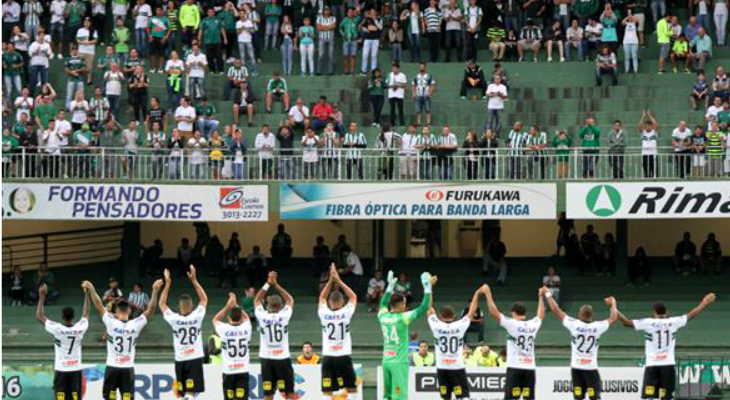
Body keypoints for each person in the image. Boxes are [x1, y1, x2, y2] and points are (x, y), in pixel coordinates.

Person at [617, 293, 716, 400]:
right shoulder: (674, 322)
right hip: (668, 365)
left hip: (652, 365)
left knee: (649, 397)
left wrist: (614, 309)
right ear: (666, 312)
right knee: (667, 397)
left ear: (654, 312)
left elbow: (626, 323)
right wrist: (704, 302)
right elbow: (692, 314)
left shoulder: (648, 322)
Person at [82, 279, 162, 400]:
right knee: (127, 398)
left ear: (117, 312)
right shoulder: (135, 324)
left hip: (112, 367)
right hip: (127, 369)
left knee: (110, 397)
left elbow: (98, 304)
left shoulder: (111, 322)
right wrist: (155, 291)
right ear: (129, 311)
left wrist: (91, 288)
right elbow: (150, 311)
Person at [545, 292, 618, 400]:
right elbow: (613, 317)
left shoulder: (574, 324)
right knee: (595, 397)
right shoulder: (598, 326)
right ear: (591, 315)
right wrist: (613, 303)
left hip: (576, 368)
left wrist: (548, 294)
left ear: (580, 314)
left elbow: (556, 310)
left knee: (578, 397)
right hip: (591, 368)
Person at [379, 271, 435, 400]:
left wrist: (389, 288)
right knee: (400, 397)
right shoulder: (403, 317)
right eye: (404, 303)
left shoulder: (382, 316)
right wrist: (427, 288)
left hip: (386, 362)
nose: (405, 305)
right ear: (401, 305)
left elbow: (382, 304)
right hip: (399, 363)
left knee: (387, 396)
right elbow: (424, 306)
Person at [484, 284, 545, 400]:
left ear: (513, 312)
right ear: (524, 313)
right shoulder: (533, 325)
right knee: (529, 398)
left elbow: (494, 313)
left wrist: (488, 294)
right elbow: (540, 315)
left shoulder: (512, 324)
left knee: (511, 398)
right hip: (529, 368)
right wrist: (541, 297)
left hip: (515, 368)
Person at [159, 266, 208, 399]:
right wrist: (194, 280)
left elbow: (162, 304)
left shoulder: (174, 318)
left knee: (181, 393)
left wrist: (167, 283)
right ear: (191, 306)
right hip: (195, 357)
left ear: (179, 307)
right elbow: (204, 300)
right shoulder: (196, 316)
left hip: (180, 358)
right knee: (191, 392)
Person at [427, 285, 484, 400]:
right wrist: (477, 294)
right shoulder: (460, 325)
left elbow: (429, 309)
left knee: (446, 397)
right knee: (463, 396)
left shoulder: (436, 325)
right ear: (454, 316)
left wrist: (429, 288)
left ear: (440, 316)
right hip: (457, 367)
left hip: (442, 367)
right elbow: (472, 311)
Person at [37, 283, 90, 400]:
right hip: (75, 369)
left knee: (60, 397)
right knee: (75, 397)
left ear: (62, 316)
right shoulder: (79, 328)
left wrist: (41, 296)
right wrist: (87, 293)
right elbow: (86, 314)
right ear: (73, 317)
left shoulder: (57, 328)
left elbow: (40, 316)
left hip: (61, 369)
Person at [318, 265, 359, 399]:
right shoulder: (346, 312)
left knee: (327, 390)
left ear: (329, 302)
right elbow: (353, 297)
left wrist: (331, 280)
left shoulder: (323, 312)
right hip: (343, 355)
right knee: (351, 388)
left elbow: (321, 297)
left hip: (328, 356)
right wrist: (339, 280)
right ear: (342, 302)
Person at [255, 271, 297, 400]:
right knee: (289, 392)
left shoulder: (262, 316)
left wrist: (268, 283)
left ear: (267, 305)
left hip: (267, 359)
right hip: (283, 358)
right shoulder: (284, 315)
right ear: (281, 306)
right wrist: (276, 285)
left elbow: (257, 300)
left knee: (268, 394)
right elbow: (290, 299)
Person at [212, 293, 252, 400]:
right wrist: (236, 304)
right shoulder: (247, 327)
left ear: (229, 317)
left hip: (228, 371)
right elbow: (246, 317)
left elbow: (215, 320)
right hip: (243, 370)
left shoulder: (224, 329)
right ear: (241, 318)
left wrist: (228, 306)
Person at [412, 62, 436, 127]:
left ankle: (428, 123)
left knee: (428, 109)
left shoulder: (429, 76)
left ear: (425, 67)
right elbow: (413, 85)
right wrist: (414, 94)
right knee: (418, 110)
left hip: (426, 95)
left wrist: (430, 93)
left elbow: (432, 85)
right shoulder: (416, 76)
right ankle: (419, 123)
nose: (421, 68)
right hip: (418, 94)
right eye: (420, 66)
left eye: (423, 66)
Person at [638, 110, 660, 178]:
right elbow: (639, 126)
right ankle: (646, 179)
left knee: (654, 168)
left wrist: (650, 116)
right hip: (645, 153)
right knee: (645, 168)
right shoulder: (643, 133)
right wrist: (643, 116)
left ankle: (655, 180)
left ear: (651, 126)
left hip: (653, 154)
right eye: (646, 126)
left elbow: (656, 125)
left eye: (649, 126)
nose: (647, 127)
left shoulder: (654, 132)